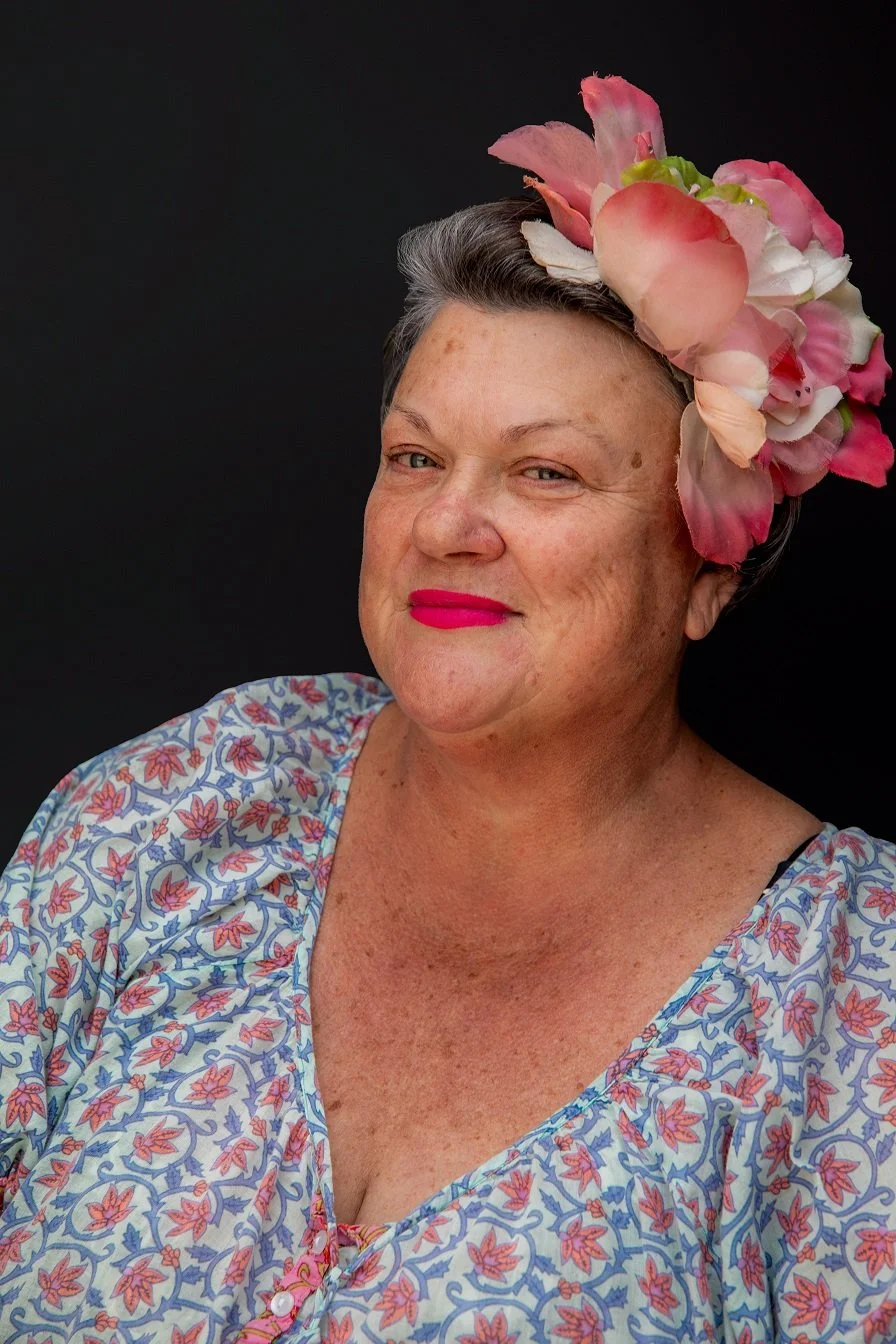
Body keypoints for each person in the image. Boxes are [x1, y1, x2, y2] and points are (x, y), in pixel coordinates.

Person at [1, 70, 894, 1344]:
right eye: (415, 457)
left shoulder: (850, 1001)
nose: (443, 525)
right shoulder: (191, 798)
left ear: (710, 566)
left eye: (543, 472)